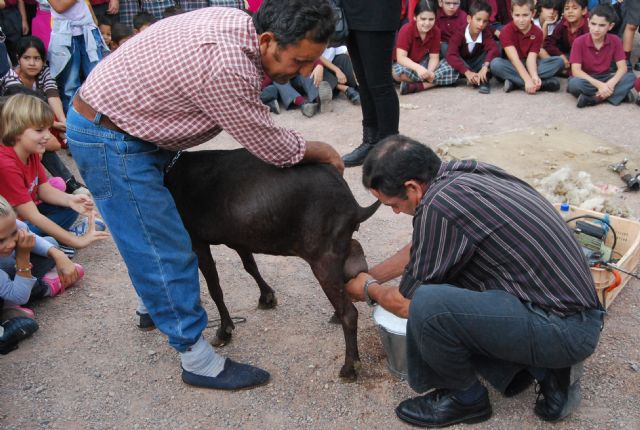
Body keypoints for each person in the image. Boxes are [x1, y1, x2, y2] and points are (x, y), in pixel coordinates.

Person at [64, 0, 343, 391]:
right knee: (163, 246)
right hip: (112, 137)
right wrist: (323, 150)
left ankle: (152, 304)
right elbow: (271, 146)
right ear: (266, 40)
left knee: (142, 227)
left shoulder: (236, 22)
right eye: (298, 61)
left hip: (125, 119)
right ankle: (197, 359)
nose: (300, 72)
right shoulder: (228, 66)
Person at [345, 135, 605, 428]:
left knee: (429, 303)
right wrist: (372, 274)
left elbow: (407, 304)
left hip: (565, 331)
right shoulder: (465, 172)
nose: (394, 211)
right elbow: (423, 245)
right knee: (456, 274)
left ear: (413, 187)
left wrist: (369, 289)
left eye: (392, 204)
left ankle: (466, 400)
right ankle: (542, 371)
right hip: (573, 313)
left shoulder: (439, 206)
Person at [0, 94, 109, 250]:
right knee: (39, 240)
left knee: (70, 206)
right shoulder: (5, 164)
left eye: (48, 129)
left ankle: (53, 242)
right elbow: (33, 215)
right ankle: (57, 243)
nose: (47, 136)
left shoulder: (31, 151)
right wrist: (76, 241)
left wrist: (70, 200)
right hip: (8, 229)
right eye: (39, 130)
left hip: (23, 217)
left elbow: (44, 189)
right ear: (15, 130)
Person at [340, 0, 401, 167]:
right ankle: (370, 141)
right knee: (364, 83)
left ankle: (389, 147)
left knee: (380, 84)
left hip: (378, 15)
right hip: (351, 14)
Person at [567, 4, 636, 107]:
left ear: (610, 26)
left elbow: (622, 68)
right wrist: (600, 85)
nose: (596, 29)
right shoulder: (579, 42)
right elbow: (576, 71)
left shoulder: (615, 40)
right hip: (587, 78)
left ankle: (595, 99)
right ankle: (619, 95)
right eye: (593, 24)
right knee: (574, 84)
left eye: (602, 25)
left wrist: (610, 83)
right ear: (588, 22)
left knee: (630, 77)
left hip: (606, 77)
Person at [47, 0, 108, 112]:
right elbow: (59, 6)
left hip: (88, 29)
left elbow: (87, 3)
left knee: (98, 79)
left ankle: (101, 120)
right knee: (70, 85)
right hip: (65, 35)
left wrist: (94, 23)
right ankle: (72, 123)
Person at [490, 0, 564, 93]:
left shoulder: (538, 32)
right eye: (517, 15)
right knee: (495, 64)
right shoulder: (506, 31)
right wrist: (528, 80)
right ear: (511, 14)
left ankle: (514, 82)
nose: (521, 20)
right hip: (511, 65)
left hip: (530, 64)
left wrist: (534, 76)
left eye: (525, 15)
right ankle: (542, 85)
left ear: (533, 13)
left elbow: (531, 58)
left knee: (558, 62)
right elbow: (514, 59)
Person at [392, 0, 459, 95]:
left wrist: (429, 72)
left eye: (431, 19)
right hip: (408, 65)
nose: (427, 23)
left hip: (425, 63)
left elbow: (434, 57)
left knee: (454, 67)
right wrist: (418, 69)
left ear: (435, 19)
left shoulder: (436, 31)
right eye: (423, 19)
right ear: (415, 17)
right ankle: (435, 83)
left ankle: (418, 86)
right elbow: (401, 58)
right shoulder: (406, 29)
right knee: (396, 72)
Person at [445, 0, 499, 94]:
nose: (481, 24)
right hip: (463, 65)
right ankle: (478, 78)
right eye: (478, 20)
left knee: (496, 48)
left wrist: (485, 66)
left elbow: (493, 49)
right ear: (469, 19)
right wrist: (467, 72)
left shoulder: (485, 32)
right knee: (447, 50)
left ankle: (482, 77)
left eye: (485, 21)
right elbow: (451, 54)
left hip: (478, 64)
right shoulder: (459, 32)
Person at [542, 0, 588, 74]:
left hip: (582, 59)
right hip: (567, 55)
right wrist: (560, 55)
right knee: (542, 50)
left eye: (574, 8)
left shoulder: (588, 26)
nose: (570, 11)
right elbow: (548, 42)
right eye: (567, 8)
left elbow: (588, 52)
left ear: (584, 11)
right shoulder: (564, 23)